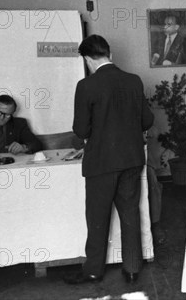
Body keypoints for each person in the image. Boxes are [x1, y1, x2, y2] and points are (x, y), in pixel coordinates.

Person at [63, 34, 154, 285]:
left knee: (98, 218)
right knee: (130, 214)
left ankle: (93, 270)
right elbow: (147, 121)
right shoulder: (134, 81)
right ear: (108, 54)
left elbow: (81, 130)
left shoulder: (86, 86)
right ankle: (133, 268)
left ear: (87, 58)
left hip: (101, 163)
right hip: (131, 160)